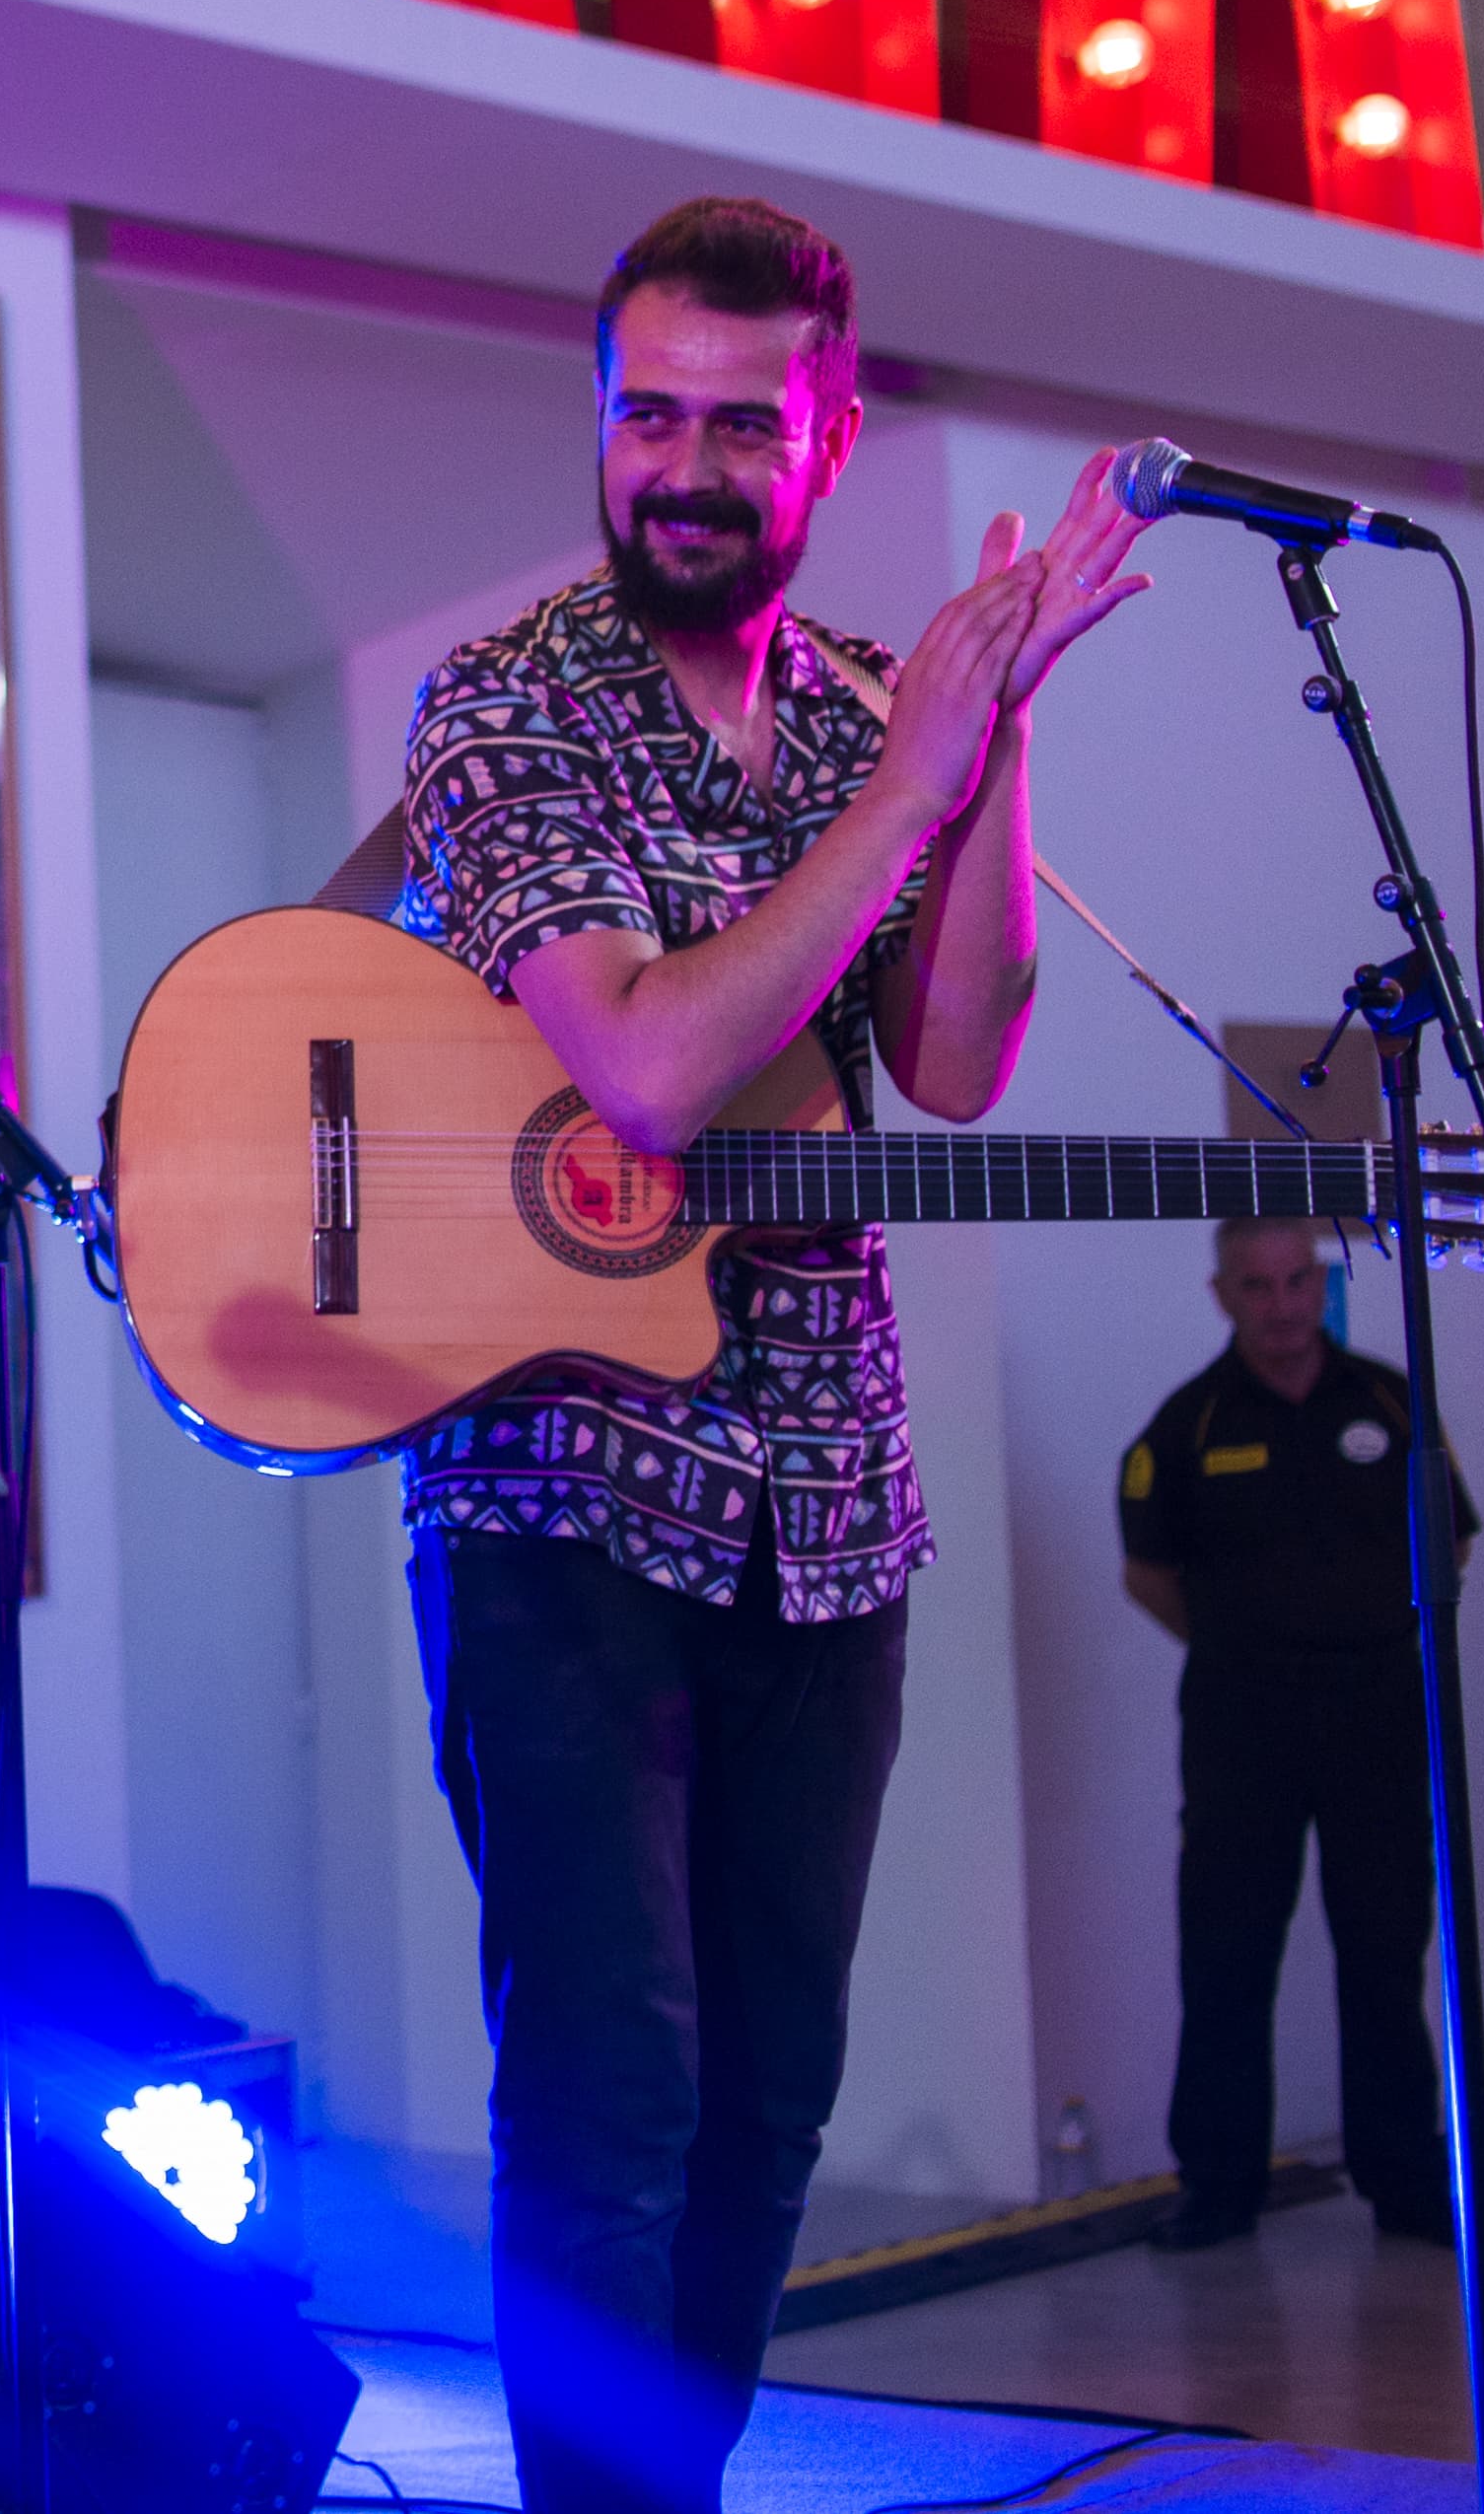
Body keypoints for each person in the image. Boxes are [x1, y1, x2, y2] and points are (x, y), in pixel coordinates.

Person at [389, 196, 1150, 2514]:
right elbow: (640, 1068)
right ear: (599, 424)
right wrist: (901, 793)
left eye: (742, 424)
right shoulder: (504, 699)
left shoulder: (862, 712)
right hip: (556, 1505)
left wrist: (983, 735)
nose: (685, 468)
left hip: (829, 1508)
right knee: (608, 2101)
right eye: (646, 418)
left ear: (822, 436)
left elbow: (950, 1061)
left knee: (763, 2110)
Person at [1119, 1213, 1475, 2250]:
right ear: (1222, 1294)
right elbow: (1149, 1573)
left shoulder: (1390, 1400)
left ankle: (1409, 2184)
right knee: (1227, 1956)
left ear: (1320, 1285)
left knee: (1383, 1952)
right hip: (1242, 1727)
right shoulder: (1186, 1422)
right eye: (1256, 1285)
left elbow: (1447, 1543)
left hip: (1377, 1716)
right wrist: (1257, 1651)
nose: (1280, 1306)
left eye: (1295, 1281)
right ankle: (1220, 2187)